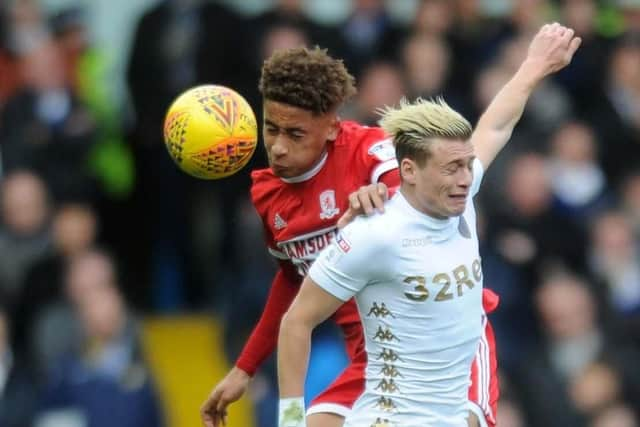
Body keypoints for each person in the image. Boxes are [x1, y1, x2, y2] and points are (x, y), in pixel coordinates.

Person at [277, 23, 581, 427]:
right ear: (410, 170)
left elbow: (495, 126)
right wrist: (292, 418)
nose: (464, 177)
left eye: (466, 165)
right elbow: (297, 321)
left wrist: (535, 65)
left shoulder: (463, 196)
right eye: (451, 168)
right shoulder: (373, 234)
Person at [201, 45, 500, 427]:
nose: (278, 146)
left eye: (295, 134)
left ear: (331, 127)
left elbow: (423, 191)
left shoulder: (370, 154)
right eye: (271, 128)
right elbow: (295, 283)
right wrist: (245, 368)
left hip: (444, 353)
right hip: (377, 364)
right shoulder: (268, 194)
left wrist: (386, 196)